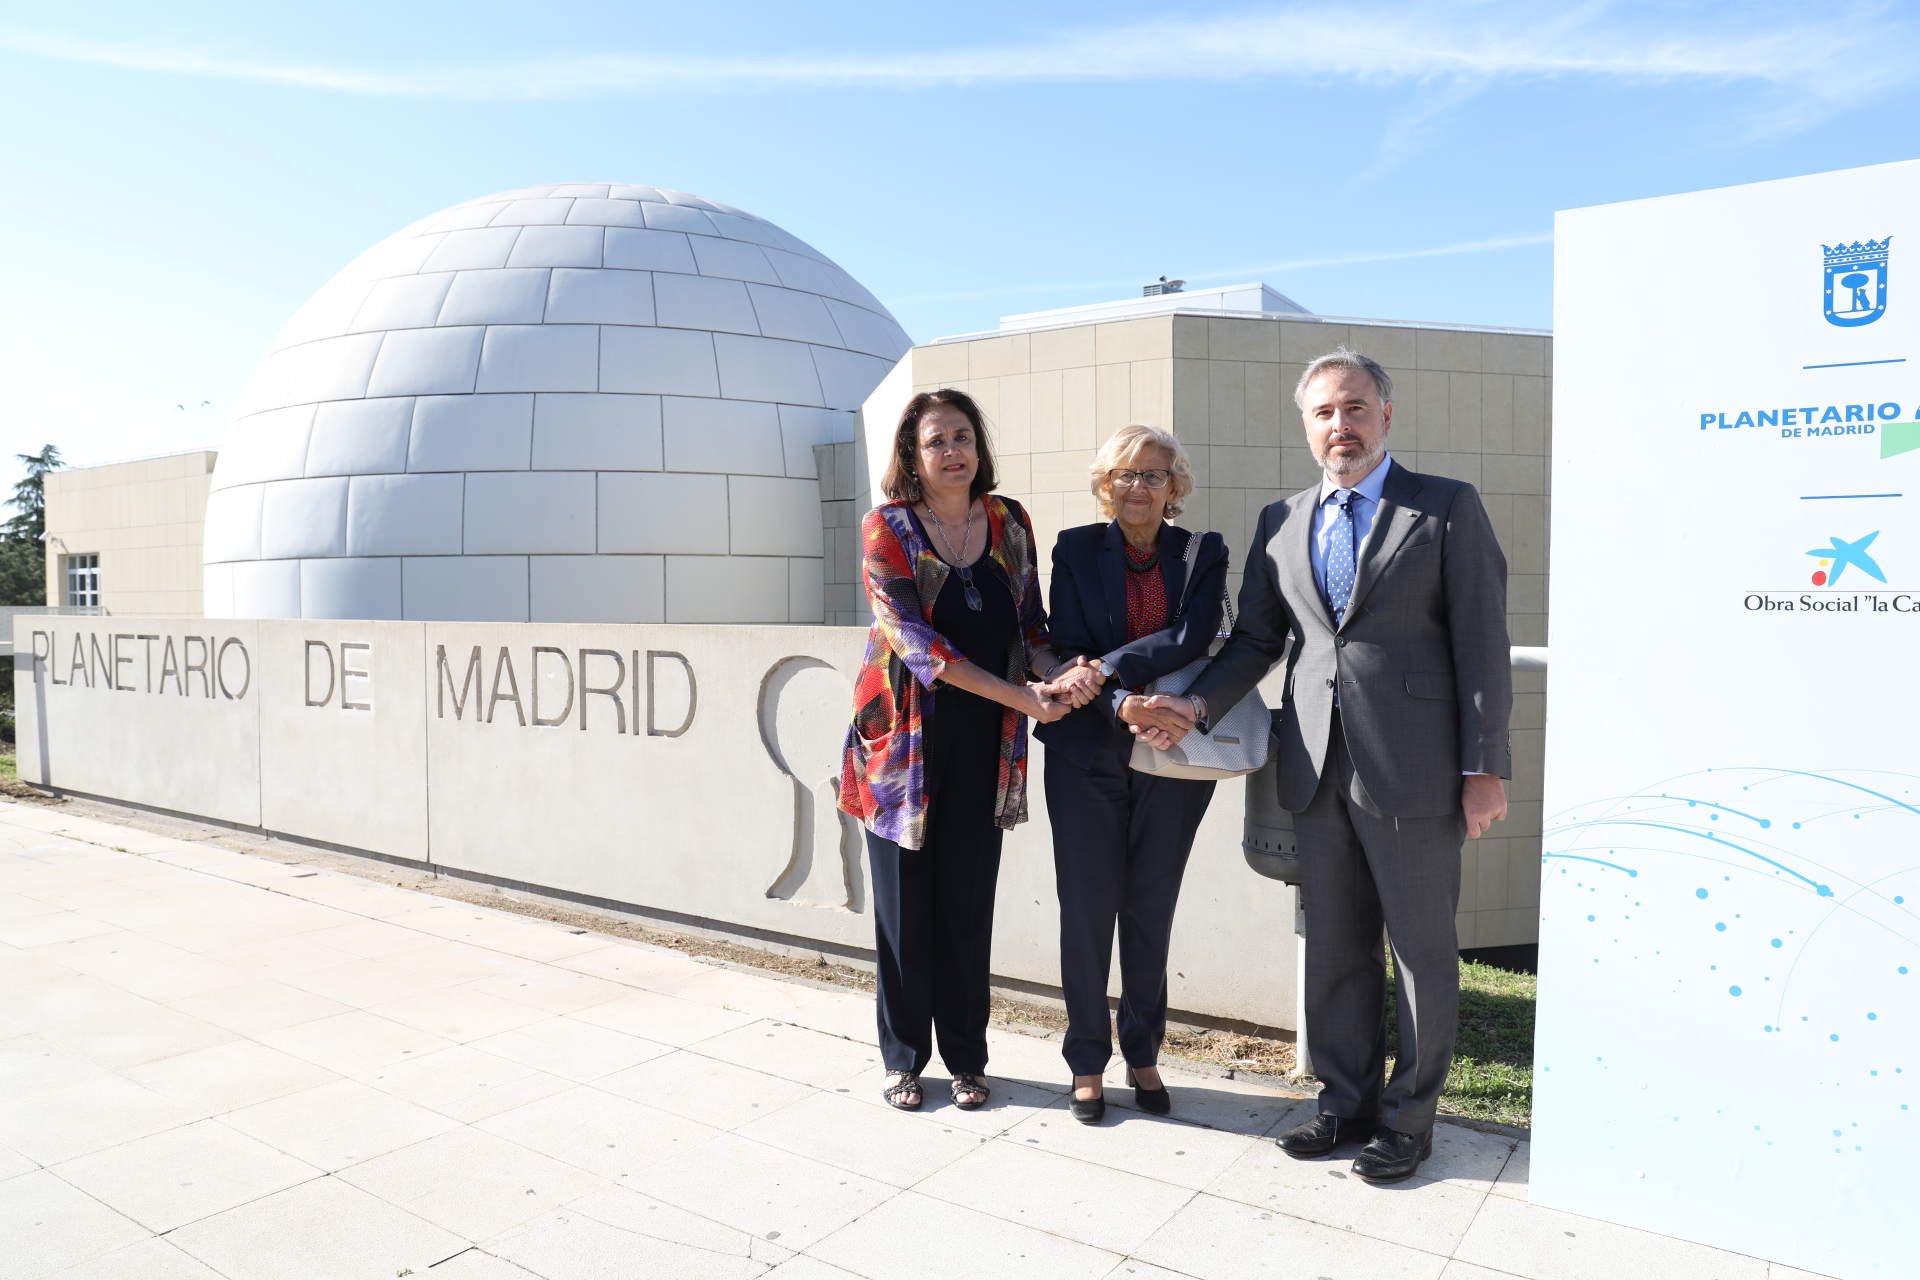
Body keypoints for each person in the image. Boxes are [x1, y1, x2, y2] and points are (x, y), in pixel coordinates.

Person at [1157, 347, 1512, 1184]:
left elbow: (1481, 642)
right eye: (1324, 412)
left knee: (1420, 951)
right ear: (1306, 425)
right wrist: (1196, 706)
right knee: (1336, 945)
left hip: (1418, 767)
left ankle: (1410, 1120)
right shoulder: (1281, 520)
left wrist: (1484, 766)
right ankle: (1345, 1102)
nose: (1340, 425)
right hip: (1313, 763)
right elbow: (1256, 639)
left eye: (1354, 408)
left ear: (1386, 414)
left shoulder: (1446, 506)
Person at [838, 388, 1094, 1114]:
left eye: (963, 437)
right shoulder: (887, 526)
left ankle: (967, 1058)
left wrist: (1060, 674)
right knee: (903, 912)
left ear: (979, 448)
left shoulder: (1009, 521)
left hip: (987, 743)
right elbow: (915, 643)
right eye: (936, 440)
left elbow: (1030, 628)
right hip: (901, 751)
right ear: (911, 456)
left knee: (967, 904)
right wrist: (1024, 696)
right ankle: (903, 1059)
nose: (952, 451)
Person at [1036, 424, 1228, 1124]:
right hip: (1087, 749)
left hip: (1172, 748)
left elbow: (1195, 634)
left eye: (1153, 474)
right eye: (1125, 474)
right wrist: (1118, 702)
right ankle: (1087, 1061)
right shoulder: (1075, 548)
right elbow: (1065, 642)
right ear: (1105, 483)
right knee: (1087, 910)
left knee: (1150, 906)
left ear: (1174, 486)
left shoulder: (1203, 551)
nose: (1138, 486)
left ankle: (1143, 1051)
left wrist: (1112, 674)